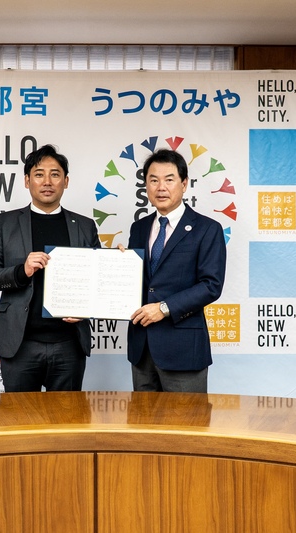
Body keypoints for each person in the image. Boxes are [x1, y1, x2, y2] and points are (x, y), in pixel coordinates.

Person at [0, 144, 101, 392]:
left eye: (55, 174)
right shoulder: (5, 223)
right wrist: (21, 271)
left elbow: (99, 280)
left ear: (66, 181)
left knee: (67, 414)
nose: (47, 182)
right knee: (19, 415)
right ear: (27, 181)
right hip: (20, 343)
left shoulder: (85, 226)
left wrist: (115, 262)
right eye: (39, 174)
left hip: (69, 344)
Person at [126, 149, 226, 393]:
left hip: (183, 349)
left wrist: (163, 308)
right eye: (153, 180)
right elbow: (136, 281)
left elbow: (211, 285)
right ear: (145, 186)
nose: (161, 187)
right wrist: (120, 263)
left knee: (186, 417)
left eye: (169, 179)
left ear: (184, 184)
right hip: (142, 348)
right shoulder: (138, 228)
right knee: (143, 416)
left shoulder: (207, 229)